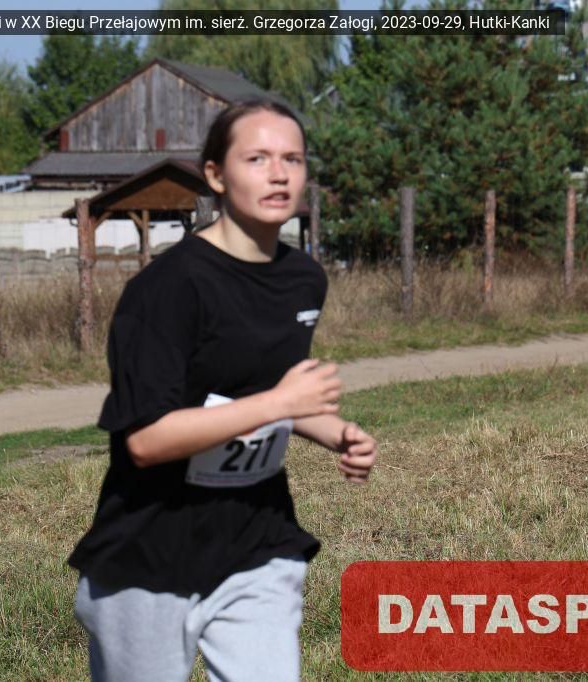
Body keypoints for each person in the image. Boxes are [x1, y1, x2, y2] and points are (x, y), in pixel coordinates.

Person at [68, 99, 379, 682]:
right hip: (149, 556)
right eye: (256, 158)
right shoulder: (167, 289)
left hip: (257, 542)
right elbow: (147, 440)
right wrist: (280, 404)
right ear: (215, 174)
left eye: (292, 159)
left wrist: (336, 432)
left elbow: (262, 394)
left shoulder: (303, 279)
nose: (279, 174)